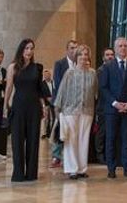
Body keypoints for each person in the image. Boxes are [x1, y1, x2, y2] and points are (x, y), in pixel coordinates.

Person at [98, 37, 127, 179]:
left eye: (125, 46)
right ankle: (111, 168)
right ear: (115, 49)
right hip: (112, 110)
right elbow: (103, 88)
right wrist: (115, 103)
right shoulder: (107, 67)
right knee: (111, 139)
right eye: (120, 46)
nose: (123, 48)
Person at [54, 44, 98, 179]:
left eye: (86, 54)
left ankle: (82, 169)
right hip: (70, 110)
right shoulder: (69, 73)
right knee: (71, 139)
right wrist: (58, 108)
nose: (84, 57)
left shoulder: (92, 73)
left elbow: (96, 92)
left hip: (87, 110)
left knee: (84, 139)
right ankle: (72, 169)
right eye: (81, 54)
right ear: (76, 57)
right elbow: (61, 91)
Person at [5, 39, 45, 182]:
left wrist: (43, 106)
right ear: (21, 50)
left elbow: (39, 89)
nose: (29, 51)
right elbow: (9, 87)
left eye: (32, 48)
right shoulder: (13, 67)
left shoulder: (37, 68)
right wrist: (5, 106)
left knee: (33, 140)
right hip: (19, 105)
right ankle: (18, 173)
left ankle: (31, 174)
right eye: (27, 48)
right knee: (17, 140)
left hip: (34, 106)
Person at [50, 39, 78, 168]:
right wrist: (57, 104)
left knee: (72, 131)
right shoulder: (60, 64)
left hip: (76, 104)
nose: (74, 50)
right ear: (67, 50)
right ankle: (56, 156)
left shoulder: (80, 63)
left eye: (75, 48)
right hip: (62, 102)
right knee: (60, 128)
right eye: (71, 48)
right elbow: (57, 84)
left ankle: (70, 157)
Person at [41, 69, 55, 140]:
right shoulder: (42, 84)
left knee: (53, 118)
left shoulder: (53, 82)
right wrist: (43, 104)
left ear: (50, 75)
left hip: (54, 103)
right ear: (44, 76)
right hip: (46, 103)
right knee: (46, 119)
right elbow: (40, 95)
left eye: (48, 74)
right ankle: (45, 133)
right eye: (45, 75)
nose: (47, 76)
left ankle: (51, 132)